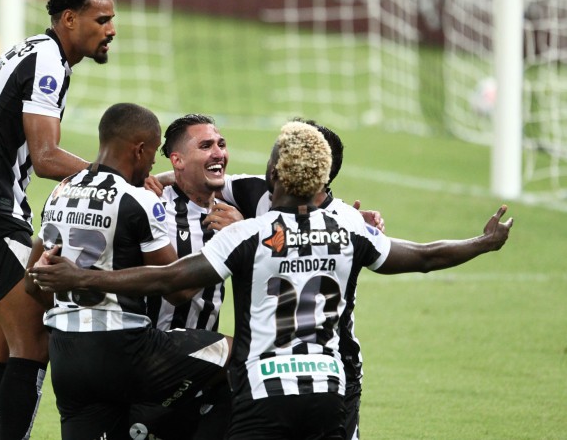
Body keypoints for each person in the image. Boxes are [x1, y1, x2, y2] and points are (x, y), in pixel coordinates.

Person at [28, 120, 513, 439]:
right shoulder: (349, 225)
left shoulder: (247, 233)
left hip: (262, 389)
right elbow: (425, 256)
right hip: (331, 386)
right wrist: (482, 242)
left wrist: (83, 277)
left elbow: (169, 278)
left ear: (274, 173)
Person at [0, 0, 116, 439]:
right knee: (34, 344)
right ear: (70, 19)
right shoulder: (48, 63)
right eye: (101, 20)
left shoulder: (33, 53)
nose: (111, 30)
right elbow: (46, 157)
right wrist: (116, 179)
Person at [23, 103, 231, 440]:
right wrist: (227, 245)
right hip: (125, 350)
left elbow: (33, 283)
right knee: (241, 356)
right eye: (152, 154)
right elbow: (175, 287)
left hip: (65, 354)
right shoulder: (137, 199)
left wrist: (78, 304)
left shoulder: (60, 192)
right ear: (140, 149)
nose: (153, 166)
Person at [210, 119, 380, 439]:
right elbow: (205, 178)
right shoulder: (253, 189)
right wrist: (155, 180)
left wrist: (242, 227)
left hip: (333, 364)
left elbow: (273, 243)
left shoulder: (343, 220)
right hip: (279, 368)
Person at [132, 114, 239, 439]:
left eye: (220, 144)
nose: (218, 152)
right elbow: (173, 291)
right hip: (153, 354)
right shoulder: (152, 204)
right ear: (176, 159)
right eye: (205, 146)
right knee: (246, 356)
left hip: (203, 360)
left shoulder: (232, 208)